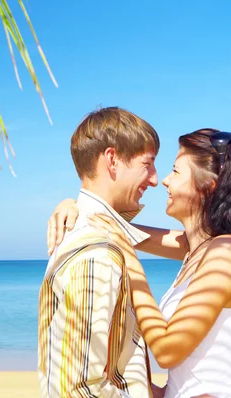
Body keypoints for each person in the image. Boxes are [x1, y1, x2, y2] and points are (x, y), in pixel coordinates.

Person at [47, 129, 231, 398]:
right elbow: (119, 228)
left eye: (176, 171)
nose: (165, 181)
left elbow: (167, 349)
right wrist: (73, 206)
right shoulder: (199, 250)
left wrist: (129, 261)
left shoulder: (227, 252)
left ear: (209, 185)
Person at [38, 106, 163, 397]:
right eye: (148, 164)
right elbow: (77, 388)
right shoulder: (97, 253)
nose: (155, 179)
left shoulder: (92, 233)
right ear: (112, 160)